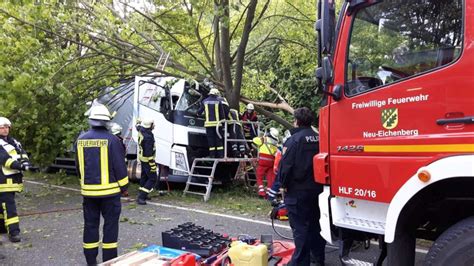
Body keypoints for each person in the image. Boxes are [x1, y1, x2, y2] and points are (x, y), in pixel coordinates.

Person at [75, 104, 129, 265]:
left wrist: (84, 184)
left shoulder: (80, 140)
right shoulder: (112, 140)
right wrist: (124, 188)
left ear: (91, 120)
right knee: (110, 228)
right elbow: (119, 167)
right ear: (107, 122)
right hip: (110, 195)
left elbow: (78, 166)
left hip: (89, 194)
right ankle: (109, 261)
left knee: (90, 226)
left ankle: (91, 261)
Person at [279, 107, 325, 266]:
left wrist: (282, 186)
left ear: (296, 121)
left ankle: (299, 263)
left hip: (297, 191)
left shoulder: (293, 140)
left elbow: (285, 167)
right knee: (316, 225)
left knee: (300, 229)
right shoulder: (320, 139)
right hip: (318, 190)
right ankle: (318, 258)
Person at [0, 117, 33, 243]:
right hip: (3, 180)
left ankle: (3, 228)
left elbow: (22, 153)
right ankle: (14, 233)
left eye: (7, 127)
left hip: (13, 179)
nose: (5, 129)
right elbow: (4, 159)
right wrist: (20, 165)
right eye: (2, 127)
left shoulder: (14, 141)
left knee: (2, 206)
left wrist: (25, 161)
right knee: (9, 207)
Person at [197, 88, 229, 158]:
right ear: (216, 94)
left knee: (211, 140)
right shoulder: (218, 102)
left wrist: (197, 113)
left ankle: (212, 155)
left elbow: (199, 112)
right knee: (218, 140)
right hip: (218, 125)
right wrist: (223, 124)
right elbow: (222, 114)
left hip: (208, 125)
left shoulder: (204, 101)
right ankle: (220, 155)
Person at [136, 117, 159, 205]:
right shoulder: (148, 137)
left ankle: (142, 193)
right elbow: (149, 153)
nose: (154, 126)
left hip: (142, 158)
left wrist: (138, 122)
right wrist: (153, 165)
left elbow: (137, 126)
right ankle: (141, 197)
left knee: (144, 176)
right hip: (147, 159)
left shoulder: (141, 130)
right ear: (150, 125)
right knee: (152, 178)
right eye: (153, 124)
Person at [253, 127, 279, 198]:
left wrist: (262, 137)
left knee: (259, 176)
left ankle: (261, 192)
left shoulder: (264, 139)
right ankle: (269, 193)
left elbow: (254, 140)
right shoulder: (275, 142)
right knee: (270, 177)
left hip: (263, 161)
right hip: (272, 161)